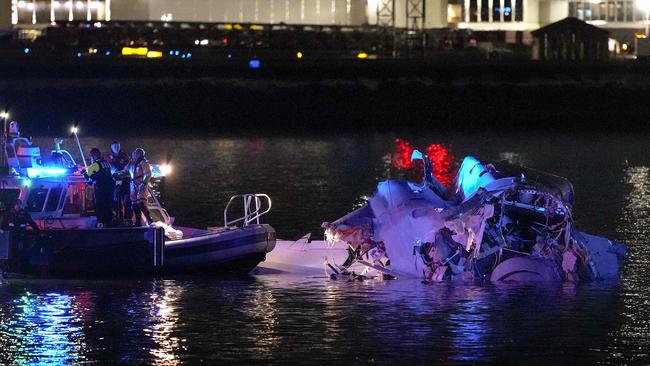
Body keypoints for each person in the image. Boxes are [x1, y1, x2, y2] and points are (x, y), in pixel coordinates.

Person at [83, 148, 115, 228]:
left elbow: (88, 178)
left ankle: (101, 222)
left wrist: (83, 173)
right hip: (110, 189)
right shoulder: (106, 163)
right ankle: (109, 221)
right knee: (108, 205)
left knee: (100, 206)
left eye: (91, 156)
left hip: (100, 189)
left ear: (94, 156)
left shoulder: (94, 165)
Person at [106, 141, 132, 223]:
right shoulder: (108, 157)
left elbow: (128, 167)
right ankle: (118, 218)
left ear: (119, 147)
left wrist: (121, 174)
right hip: (114, 182)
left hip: (125, 182)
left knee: (127, 200)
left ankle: (128, 219)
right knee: (116, 201)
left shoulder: (125, 156)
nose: (116, 148)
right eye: (114, 147)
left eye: (117, 146)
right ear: (111, 147)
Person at [129, 148, 153, 227]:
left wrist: (143, 183)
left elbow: (148, 173)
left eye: (135, 153)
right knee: (135, 204)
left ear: (139, 154)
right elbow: (126, 171)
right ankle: (138, 222)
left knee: (141, 203)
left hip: (140, 184)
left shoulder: (143, 163)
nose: (133, 154)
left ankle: (149, 218)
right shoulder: (132, 164)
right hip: (133, 185)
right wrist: (118, 174)